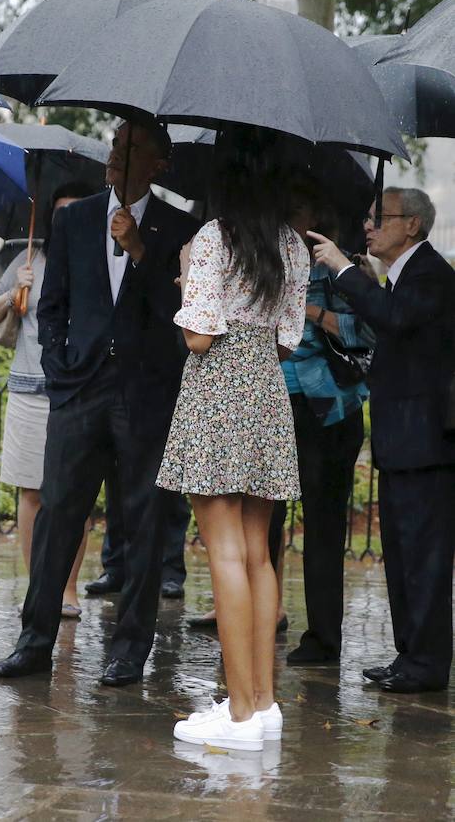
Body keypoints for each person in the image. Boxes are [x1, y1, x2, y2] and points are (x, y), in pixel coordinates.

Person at [0, 119, 200, 687]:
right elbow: (53, 303)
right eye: (115, 143)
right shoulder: (73, 218)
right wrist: (61, 370)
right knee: (58, 515)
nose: (117, 154)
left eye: (132, 148)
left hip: (145, 395)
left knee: (143, 524)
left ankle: (130, 649)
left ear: (158, 163)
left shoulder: (181, 228)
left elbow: (179, 315)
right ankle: (34, 642)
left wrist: (139, 252)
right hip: (80, 391)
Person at [163, 152, 309, 752]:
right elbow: (288, 342)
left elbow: (197, 336)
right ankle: (264, 705)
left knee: (223, 552)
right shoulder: (293, 246)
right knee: (257, 552)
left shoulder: (212, 238)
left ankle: (241, 714)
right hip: (266, 396)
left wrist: (186, 274)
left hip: (217, 388)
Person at [309, 187, 455, 693]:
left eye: (379, 218)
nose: (368, 227)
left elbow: (393, 321)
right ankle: (408, 653)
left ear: (411, 225)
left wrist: (342, 270)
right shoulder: (401, 275)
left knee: (425, 560)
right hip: (402, 442)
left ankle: (428, 663)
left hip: (426, 445)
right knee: (401, 554)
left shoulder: (432, 274)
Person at [0, 181, 96, 619]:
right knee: (32, 493)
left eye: (75, 211)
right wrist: (13, 293)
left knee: (75, 496)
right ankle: (38, 588)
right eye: (59, 211)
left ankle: (67, 588)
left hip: (78, 391)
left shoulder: (97, 263)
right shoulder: (29, 260)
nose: (65, 219)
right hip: (30, 389)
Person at [280, 178, 375, 665]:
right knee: (264, 521)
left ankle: (323, 637)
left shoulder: (343, 268)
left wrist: (313, 311)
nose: (290, 219)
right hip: (274, 404)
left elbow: (366, 331)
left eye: (298, 208)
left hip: (330, 410)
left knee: (322, 527)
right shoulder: (267, 260)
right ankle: (262, 615)